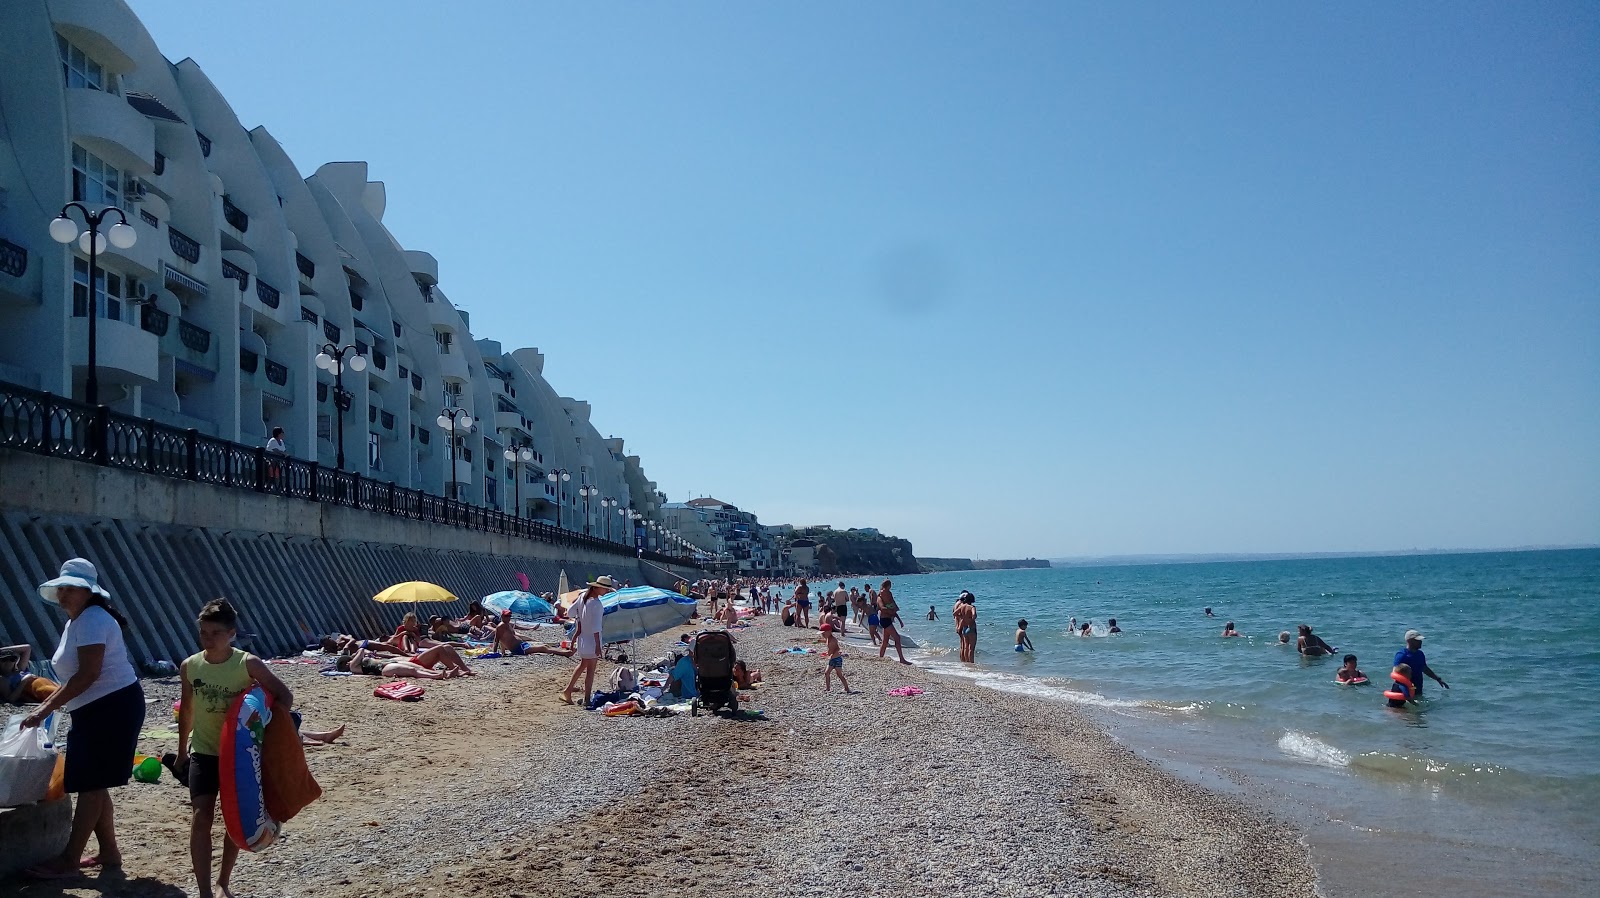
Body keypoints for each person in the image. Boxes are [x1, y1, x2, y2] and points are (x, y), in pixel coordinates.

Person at [21, 559, 145, 879]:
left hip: (112, 707)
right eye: (61, 588)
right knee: (94, 782)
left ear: (88, 592)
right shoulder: (77, 621)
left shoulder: (92, 619)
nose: (63, 594)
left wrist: (44, 709)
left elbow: (89, 674)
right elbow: (74, 678)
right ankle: (109, 851)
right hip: (94, 708)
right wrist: (46, 706)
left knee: (90, 784)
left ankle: (70, 858)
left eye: (70, 588)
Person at [176, 599, 295, 898]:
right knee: (201, 816)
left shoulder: (247, 664)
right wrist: (181, 750)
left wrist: (266, 726)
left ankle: (222, 883)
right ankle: (205, 891)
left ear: (231, 633)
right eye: (203, 632)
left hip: (240, 755)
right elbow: (187, 709)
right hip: (203, 750)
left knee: (235, 818)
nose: (208, 638)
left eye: (215, 633)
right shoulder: (190, 666)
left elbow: (284, 695)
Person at [561, 576, 615, 705]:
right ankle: (586, 699)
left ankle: (568, 691)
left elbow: (570, 612)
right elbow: (596, 627)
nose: (606, 592)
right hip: (591, 640)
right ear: (597, 588)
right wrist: (598, 646)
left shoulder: (582, 597)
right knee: (590, 671)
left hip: (583, 638)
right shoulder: (596, 603)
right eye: (605, 589)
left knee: (582, 665)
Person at [490, 611, 572, 658]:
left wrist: (503, 652)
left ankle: (564, 651)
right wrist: (495, 653)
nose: (508, 617)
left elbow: (503, 639)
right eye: (506, 616)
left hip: (522, 645)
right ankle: (565, 653)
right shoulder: (501, 626)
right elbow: (497, 640)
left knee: (545, 646)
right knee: (543, 648)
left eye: (509, 616)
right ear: (502, 616)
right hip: (518, 648)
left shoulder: (507, 624)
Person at [1394, 630, 1448, 696]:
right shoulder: (1402, 655)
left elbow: (1424, 668)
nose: (1420, 642)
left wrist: (1438, 679)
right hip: (1405, 691)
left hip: (1418, 688)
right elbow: (1395, 673)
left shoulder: (1420, 654)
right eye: (1417, 640)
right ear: (1410, 641)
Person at [876, 579, 910, 664]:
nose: (887, 592)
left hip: (888, 620)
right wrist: (891, 611)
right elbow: (882, 608)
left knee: (885, 641)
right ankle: (901, 659)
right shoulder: (879, 597)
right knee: (897, 638)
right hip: (884, 620)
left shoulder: (889, 595)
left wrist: (899, 620)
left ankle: (880, 658)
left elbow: (894, 608)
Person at [821, 623, 853, 694]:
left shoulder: (833, 640)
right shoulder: (828, 638)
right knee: (827, 673)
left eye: (823, 633)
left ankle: (847, 688)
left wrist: (826, 654)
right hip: (832, 659)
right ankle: (828, 688)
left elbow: (831, 651)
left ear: (829, 631)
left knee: (839, 674)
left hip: (837, 659)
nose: (822, 635)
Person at [953, 592, 978, 663]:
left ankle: (965, 663)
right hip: (971, 627)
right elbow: (974, 616)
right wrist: (971, 619)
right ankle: (971, 664)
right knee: (971, 649)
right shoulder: (972, 607)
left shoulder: (962, 606)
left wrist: (963, 617)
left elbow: (954, 613)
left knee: (965, 647)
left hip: (964, 628)